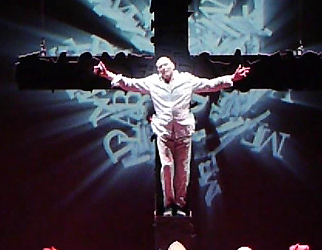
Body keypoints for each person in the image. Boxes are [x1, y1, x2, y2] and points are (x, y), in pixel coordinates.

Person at [91, 55, 251, 215]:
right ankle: (169, 203)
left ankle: (180, 204)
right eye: (159, 67)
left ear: (173, 65)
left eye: (165, 65)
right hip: (163, 132)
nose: (163, 69)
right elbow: (130, 84)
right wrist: (107, 75)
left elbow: (210, 85)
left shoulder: (186, 79)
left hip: (183, 132)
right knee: (167, 167)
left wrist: (232, 78)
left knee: (182, 169)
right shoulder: (152, 82)